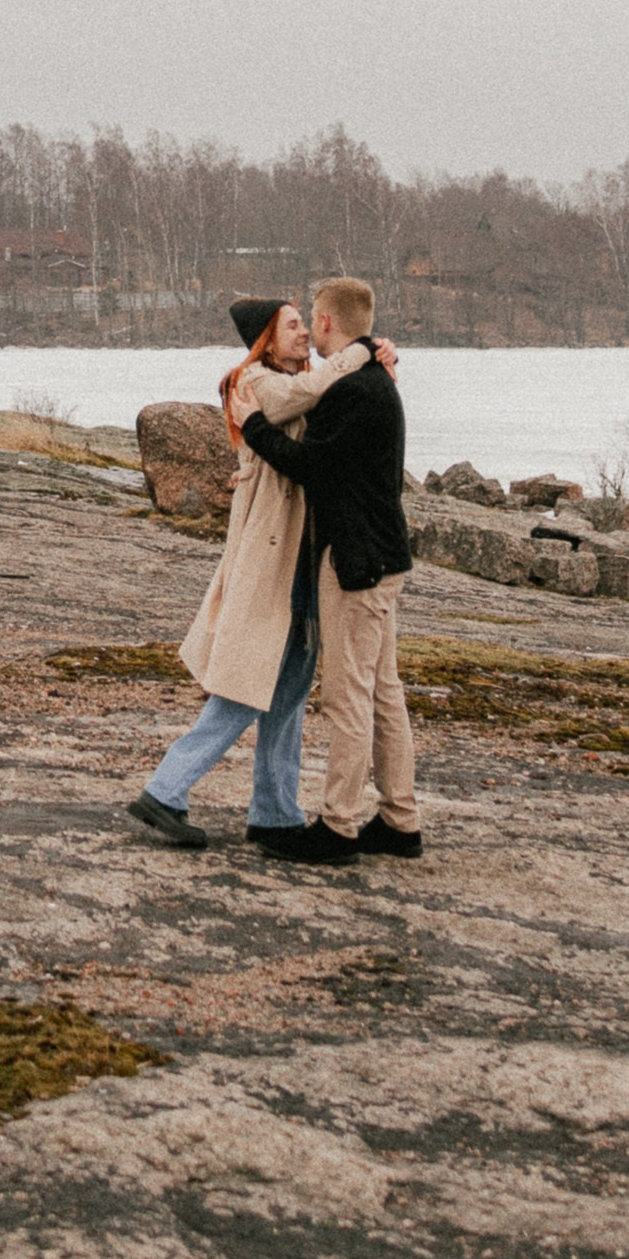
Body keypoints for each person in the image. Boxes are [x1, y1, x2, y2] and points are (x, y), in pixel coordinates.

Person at [128, 294, 388, 851]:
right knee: (250, 684)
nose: (303, 334)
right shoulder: (253, 383)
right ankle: (166, 790)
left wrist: (375, 358)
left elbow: (333, 406)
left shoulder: (300, 378)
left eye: (303, 325)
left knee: (289, 687)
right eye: (291, 327)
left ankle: (274, 811)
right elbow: (306, 395)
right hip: (272, 559)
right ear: (266, 339)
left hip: (297, 557)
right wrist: (361, 351)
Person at [239, 277, 421, 865]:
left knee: (350, 696)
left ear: (325, 323)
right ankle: (398, 819)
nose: (309, 330)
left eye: (311, 319)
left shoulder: (354, 392)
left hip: (357, 564)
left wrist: (254, 429)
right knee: (384, 693)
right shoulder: (372, 382)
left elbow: (309, 466)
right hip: (382, 556)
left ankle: (339, 825)